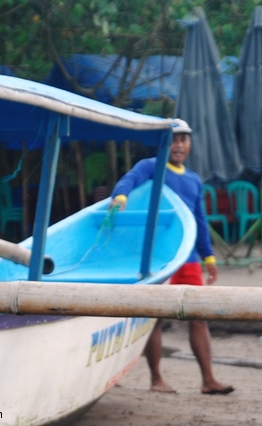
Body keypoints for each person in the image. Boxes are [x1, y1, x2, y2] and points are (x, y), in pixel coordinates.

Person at [109, 118, 234, 395]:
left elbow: (199, 220)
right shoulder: (150, 166)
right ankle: (156, 379)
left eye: (184, 139)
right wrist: (120, 196)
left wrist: (209, 258)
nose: (178, 145)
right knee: (155, 317)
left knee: (198, 316)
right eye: (174, 139)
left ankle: (208, 380)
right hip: (159, 259)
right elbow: (129, 179)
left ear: (189, 144)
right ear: (164, 142)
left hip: (188, 259)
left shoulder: (193, 180)